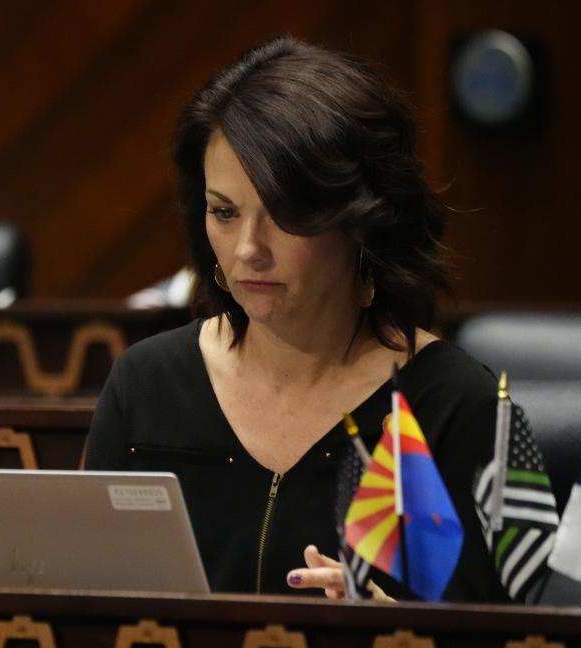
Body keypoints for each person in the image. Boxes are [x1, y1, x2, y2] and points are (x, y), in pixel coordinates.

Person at [84, 36, 512, 602]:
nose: (247, 251)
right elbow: (80, 604)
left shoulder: (457, 407)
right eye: (225, 213)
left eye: (285, 215)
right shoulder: (146, 385)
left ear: (361, 220)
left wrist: (406, 632)